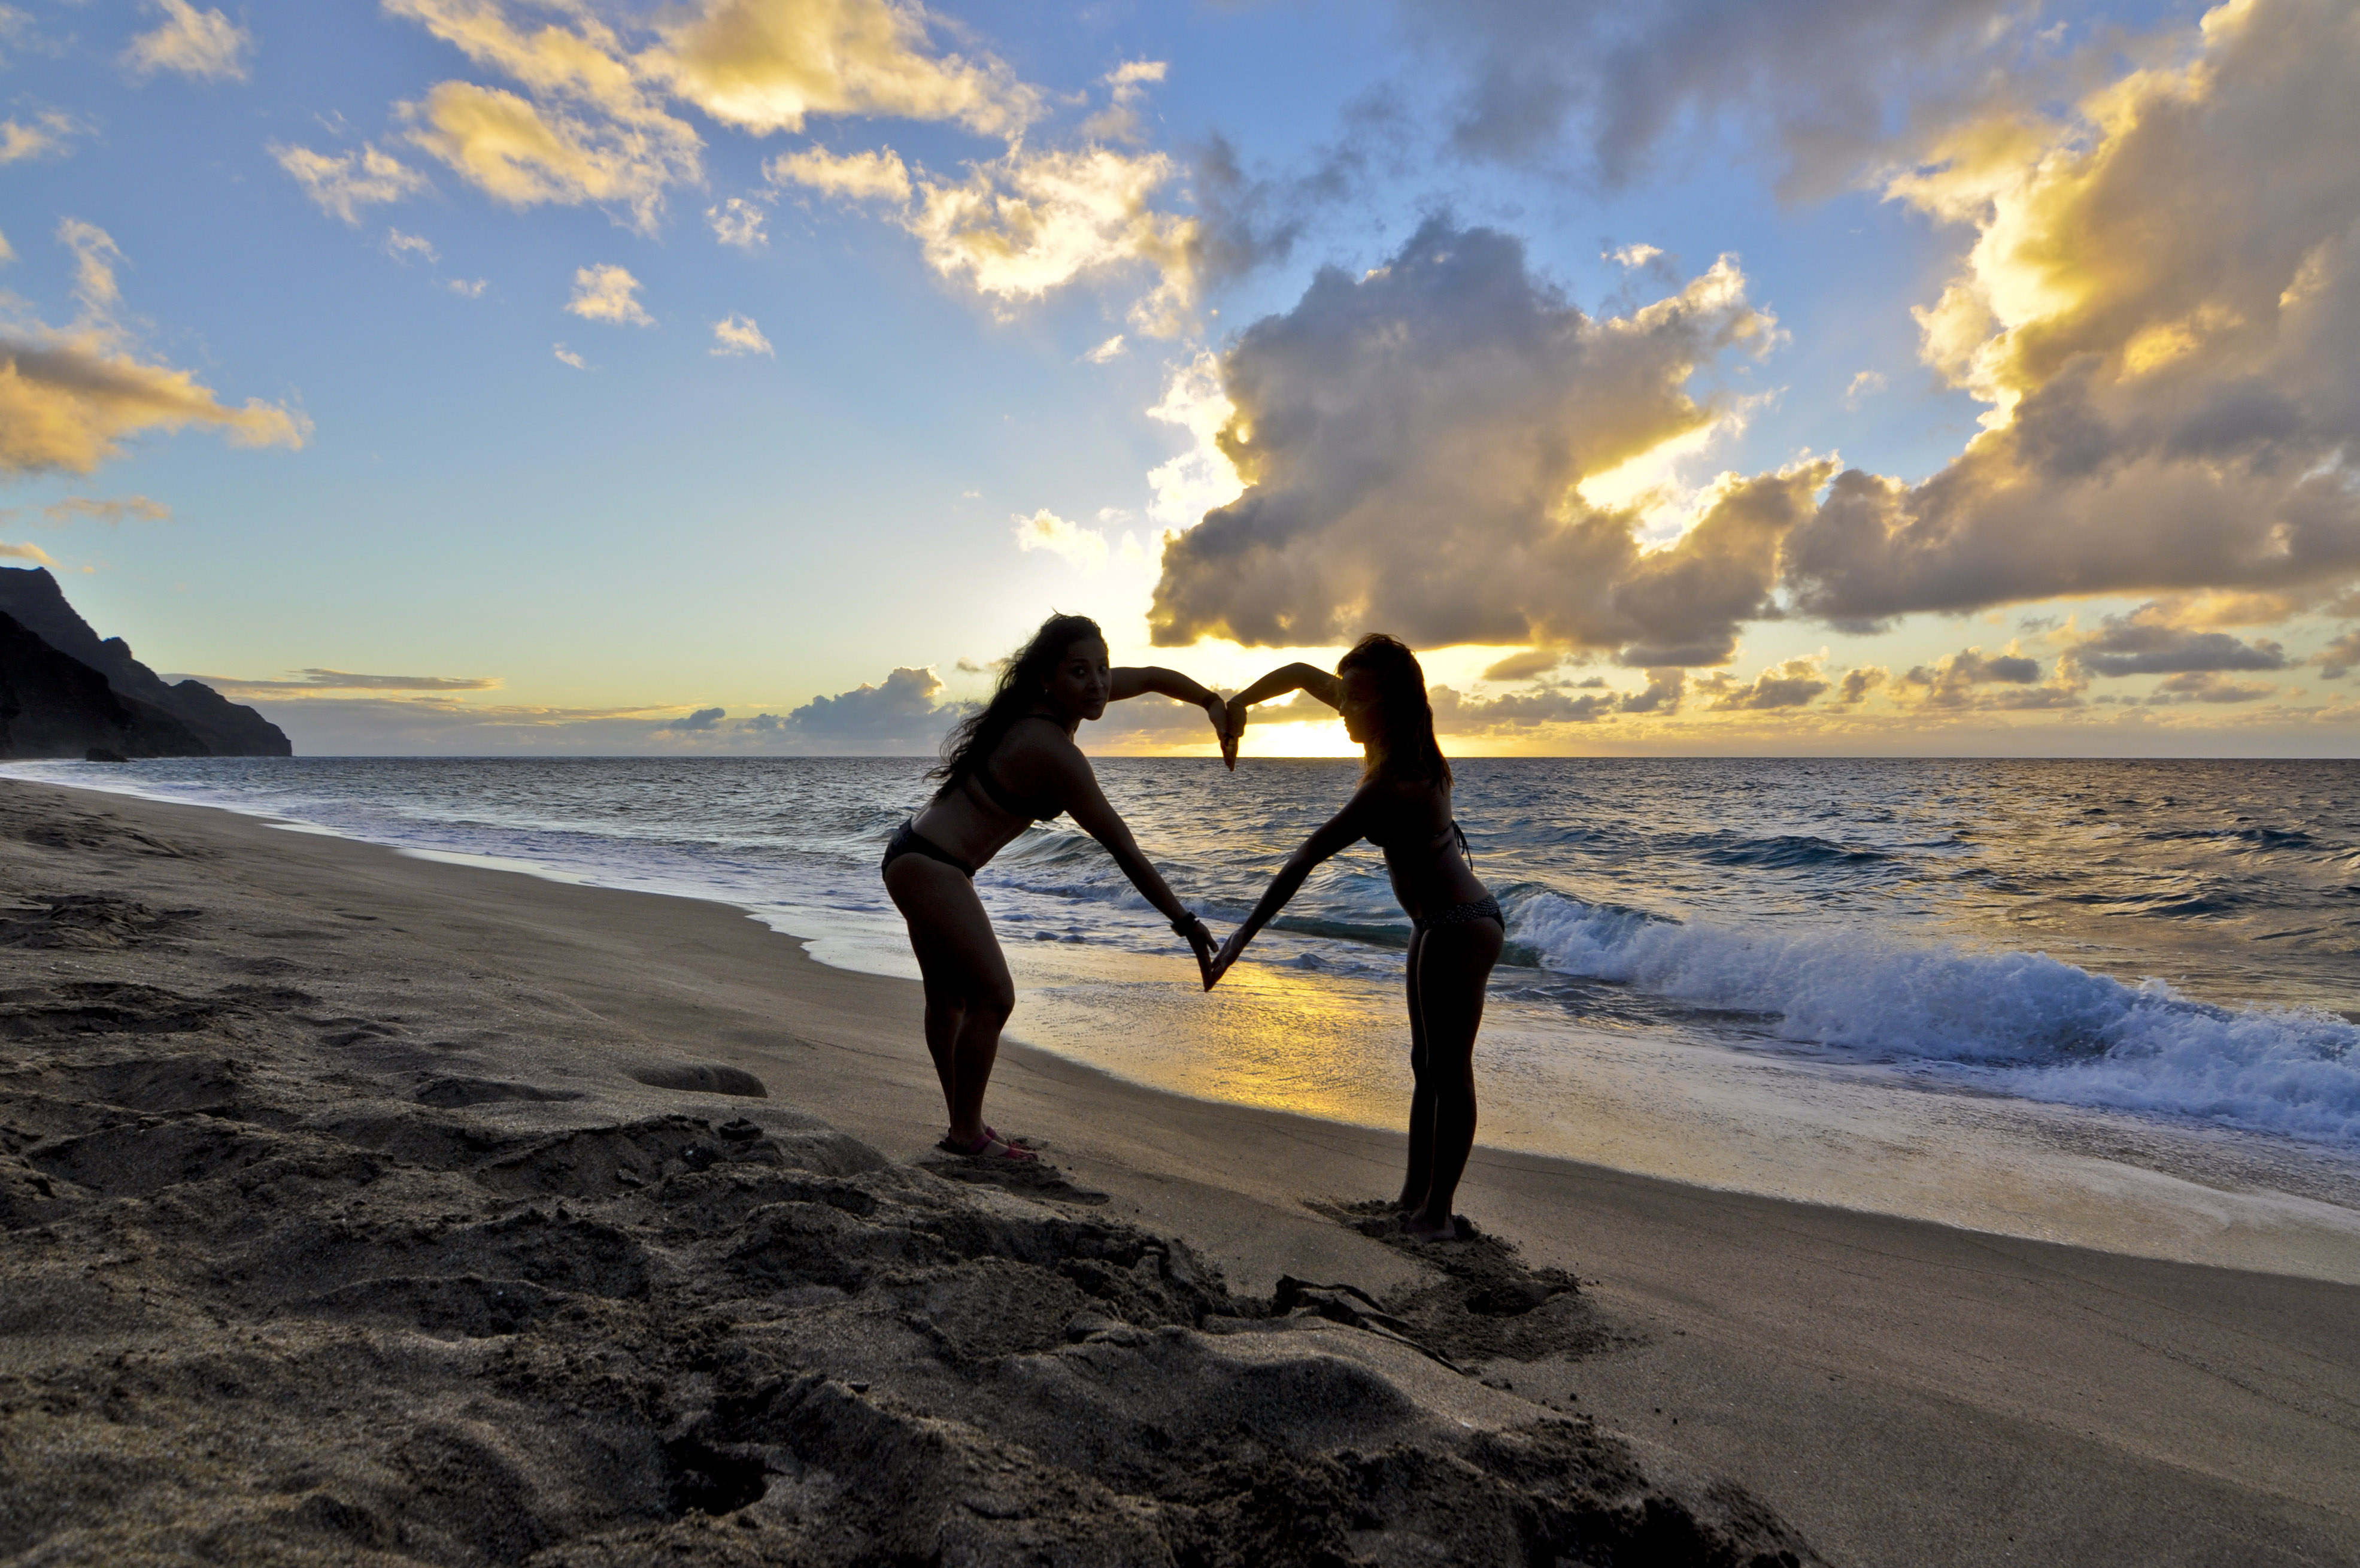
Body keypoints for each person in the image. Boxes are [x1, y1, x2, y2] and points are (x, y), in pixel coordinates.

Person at [882, 613, 1226, 1162]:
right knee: (993, 998)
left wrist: (1212, 703)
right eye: (1079, 672)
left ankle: (962, 1128)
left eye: (1103, 669)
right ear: (1049, 678)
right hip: (932, 866)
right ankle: (967, 1132)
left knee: (948, 1001)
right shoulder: (1053, 749)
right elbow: (1123, 846)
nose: (1098, 684)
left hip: (916, 856)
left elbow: (1158, 677)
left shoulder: (1054, 707)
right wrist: (1185, 921)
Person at [1207, 635, 1501, 1241]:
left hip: (1461, 927)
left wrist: (1241, 938)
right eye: (1344, 695)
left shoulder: (1398, 781)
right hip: (1433, 925)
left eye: (1357, 699)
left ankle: (1438, 1216)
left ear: (1390, 704)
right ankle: (1414, 1199)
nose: (1343, 708)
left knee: (1451, 1073)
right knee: (1425, 1067)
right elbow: (1295, 673)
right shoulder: (1397, 747)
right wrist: (1240, 706)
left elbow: (1305, 857)